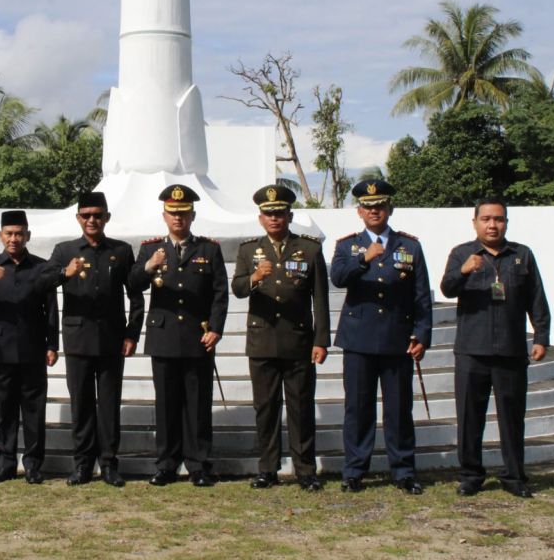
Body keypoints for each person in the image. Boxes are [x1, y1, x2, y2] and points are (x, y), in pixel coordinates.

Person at [440, 198, 550, 499]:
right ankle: (471, 476)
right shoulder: (462, 253)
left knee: (512, 417)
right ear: (475, 222)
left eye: (499, 219)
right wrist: (463, 271)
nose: (492, 225)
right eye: (486, 219)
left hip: (511, 351)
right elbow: (446, 289)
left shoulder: (521, 255)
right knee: (469, 417)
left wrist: (541, 336)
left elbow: (537, 298)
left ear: (506, 223)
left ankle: (514, 476)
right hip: (471, 350)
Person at [330, 180, 431, 495]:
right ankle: (354, 470)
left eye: (380, 205)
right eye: (368, 206)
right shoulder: (348, 246)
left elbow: (421, 295)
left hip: (395, 338)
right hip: (359, 339)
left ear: (390, 209)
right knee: (358, 409)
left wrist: (422, 333)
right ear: (359, 211)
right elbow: (337, 278)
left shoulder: (409, 246)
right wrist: (364, 259)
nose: (375, 211)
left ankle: (403, 471)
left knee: (399, 409)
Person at [231, 185, 330, 491]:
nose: (274, 219)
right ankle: (268, 468)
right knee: (266, 407)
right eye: (268, 214)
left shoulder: (309, 249)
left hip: (297, 340)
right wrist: (254, 278)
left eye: (279, 213)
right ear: (260, 218)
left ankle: (305, 470)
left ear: (289, 215)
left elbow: (320, 299)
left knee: (300, 406)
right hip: (262, 341)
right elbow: (237, 288)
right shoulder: (249, 250)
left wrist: (321, 340)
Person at [43, 191, 145, 488]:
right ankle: (83, 464)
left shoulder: (122, 251)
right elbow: (42, 282)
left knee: (109, 405)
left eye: (97, 215)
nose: (92, 220)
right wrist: (65, 273)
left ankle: (110, 464)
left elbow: (135, 295)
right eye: (86, 215)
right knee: (82, 404)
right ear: (78, 218)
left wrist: (132, 333)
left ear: (107, 218)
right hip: (77, 339)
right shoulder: (64, 251)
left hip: (112, 339)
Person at [129, 185, 228, 487]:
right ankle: (167, 464)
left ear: (192, 215)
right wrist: (149, 266)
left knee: (197, 404)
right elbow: (133, 285)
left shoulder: (208, 249)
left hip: (197, 336)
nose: (178, 218)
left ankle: (198, 465)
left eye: (183, 213)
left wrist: (215, 328)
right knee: (167, 405)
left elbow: (220, 293)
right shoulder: (150, 249)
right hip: (164, 335)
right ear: (164, 216)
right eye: (173, 213)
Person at [0, 210, 59, 484]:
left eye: (19, 234)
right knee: (5, 409)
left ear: (28, 236)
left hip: (32, 347)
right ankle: (5, 463)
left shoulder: (42, 267)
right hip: (1, 348)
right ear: (1, 236)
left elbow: (51, 309)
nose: (14, 239)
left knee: (34, 410)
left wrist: (52, 344)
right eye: (9, 234)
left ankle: (32, 465)